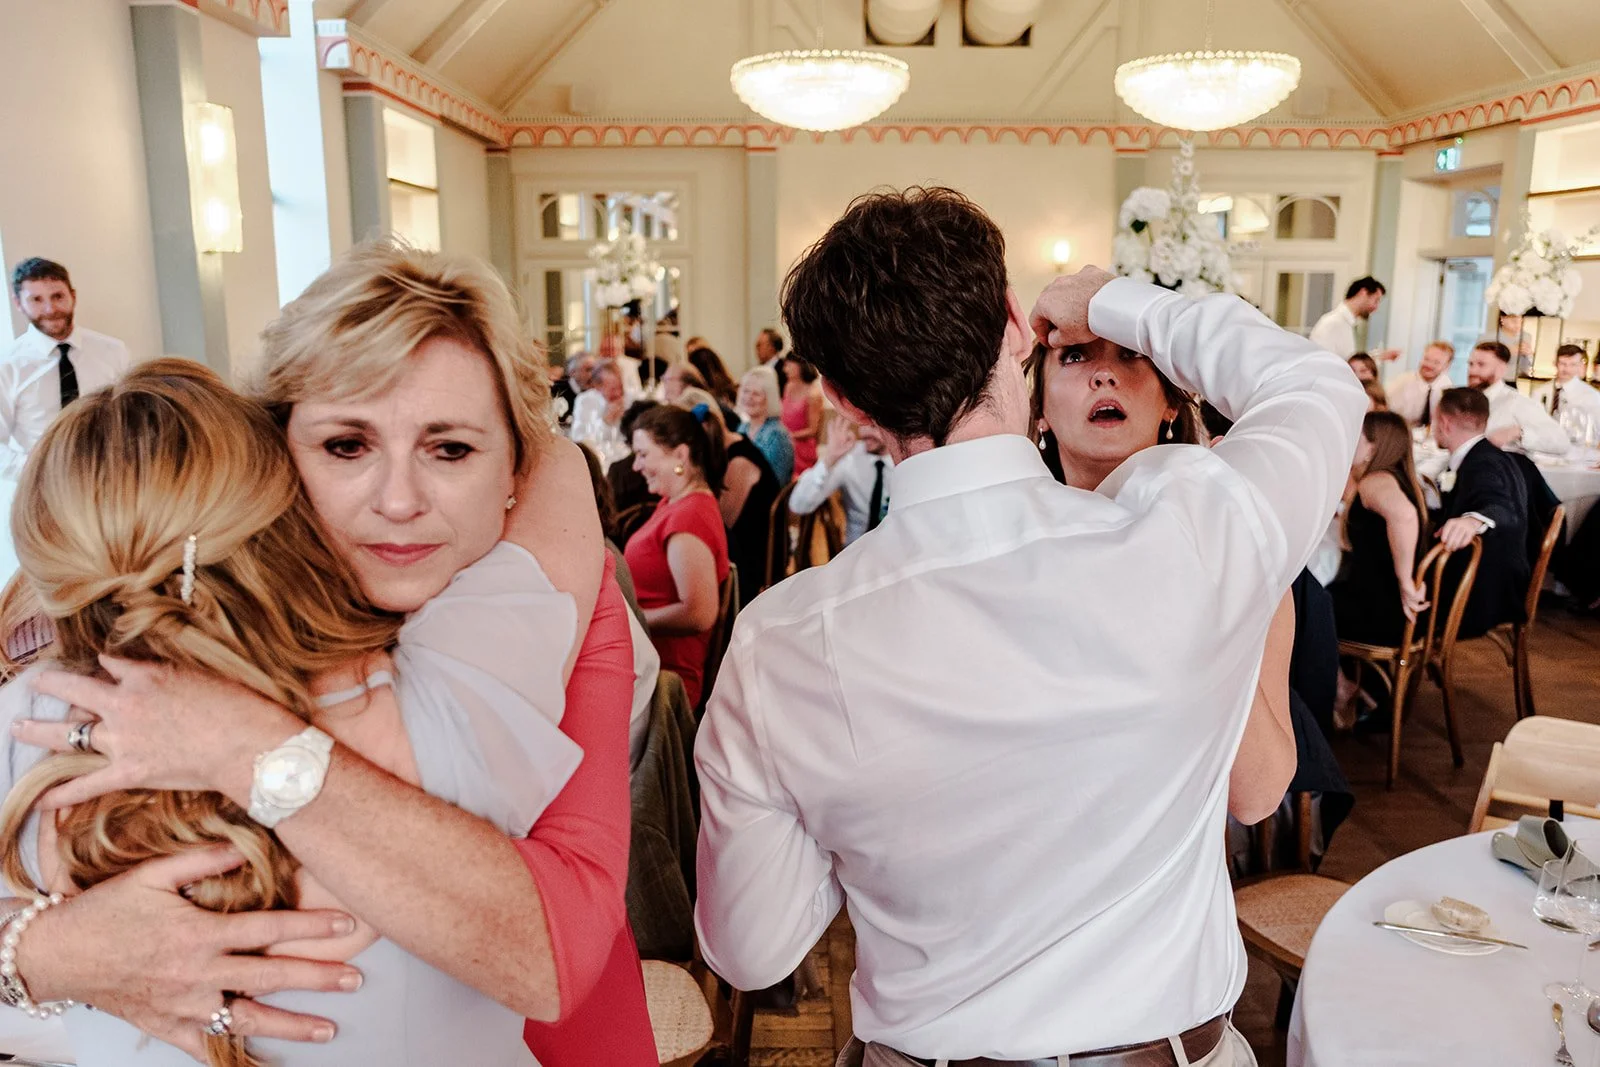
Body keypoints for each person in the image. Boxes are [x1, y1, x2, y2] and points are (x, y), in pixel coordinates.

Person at [694, 188, 1364, 1065]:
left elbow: (753, 947)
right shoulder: (1186, 534)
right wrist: (1119, 300)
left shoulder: (780, 640)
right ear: (1018, 326)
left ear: (845, 400)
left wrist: (861, 821)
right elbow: (1313, 383)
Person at [1, 244, 655, 1065]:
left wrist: (245, 745)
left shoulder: (542, 610)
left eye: (450, 448)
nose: (399, 501)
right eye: (346, 445)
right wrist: (43, 951)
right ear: (272, 454)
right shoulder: (91, 686)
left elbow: (558, 936)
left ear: (513, 469)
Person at [1025, 334, 1301, 830]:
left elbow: (1257, 795)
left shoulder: (1235, 553)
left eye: (1130, 355)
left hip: (1166, 861)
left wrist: (1203, 576)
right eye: (1075, 356)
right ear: (1040, 410)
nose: (1103, 375)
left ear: (1171, 402)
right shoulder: (1014, 552)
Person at [625, 404, 730, 708]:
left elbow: (698, 613)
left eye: (643, 454)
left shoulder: (690, 517)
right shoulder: (676, 503)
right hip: (649, 663)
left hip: (666, 681)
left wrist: (633, 620)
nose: (635, 466)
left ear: (681, 456)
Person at [2, 258, 132, 479]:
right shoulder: (7, 365)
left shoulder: (113, 351)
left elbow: (131, 418)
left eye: (57, 296)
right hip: (42, 489)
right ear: (18, 303)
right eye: (36, 299)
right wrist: (44, 470)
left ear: (73, 295)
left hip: (109, 482)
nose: (50, 309)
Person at [579, 444, 661, 772]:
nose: (637, 465)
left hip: (628, 737)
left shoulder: (595, 562)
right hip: (640, 687)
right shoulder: (599, 550)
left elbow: (698, 613)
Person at [1431, 387, 1531, 639]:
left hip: (1486, 592)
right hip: (1505, 577)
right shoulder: (1489, 454)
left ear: (1444, 423)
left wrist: (1474, 520)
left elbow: (1501, 506)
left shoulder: (1482, 463)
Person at [1328, 412, 1430, 648]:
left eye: (1357, 436)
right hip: (1394, 609)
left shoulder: (1375, 481)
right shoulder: (1400, 478)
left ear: (1372, 448)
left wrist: (1405, 581)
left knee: (1303, 602)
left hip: (1380, 613)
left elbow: (1404, 515)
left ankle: (1340, 683)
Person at [677, 387, 778, 608]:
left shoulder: (739, 462)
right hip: (736, 555)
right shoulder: (725, 450)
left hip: (748, 570)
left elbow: (720, 525)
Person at [788, 415, 893, 547]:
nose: (865, 433)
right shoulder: (849, 457)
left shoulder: (908, 461)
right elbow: (798, 504)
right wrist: (829, 459)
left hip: (900, 551)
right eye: (863, 424)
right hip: (855, 550)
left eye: (874, 426)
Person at [1465, 340, 1568, 455]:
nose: (1472, 371)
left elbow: (1561, 442)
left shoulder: (1518, 403)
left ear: (1501, 369)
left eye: (1481, 365)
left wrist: (1519, 432)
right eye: (1470, 364)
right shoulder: (1463, 401)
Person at [1308, 276, 1398, 362]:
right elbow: (1324, 362)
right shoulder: (1331, 323)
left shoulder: (1348, 324)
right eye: (1376, 300)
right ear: (1363, 293)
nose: (1376, 307)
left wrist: (1379, 356)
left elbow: (1348, 359)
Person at [736, 365, 794, 483]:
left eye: (756, 394)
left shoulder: (777, 435)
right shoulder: (742, 428)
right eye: (746, 391)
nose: (749, 398)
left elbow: (776, 483)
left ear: (769, 398)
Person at [570, 357, 630, 468]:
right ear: (598, 386)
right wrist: (605, 422)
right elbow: (579, 440)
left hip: (624, 461)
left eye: (620, 387)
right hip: (598, 462)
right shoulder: (585, 401)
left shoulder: (629, 400)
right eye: (612, 389)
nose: (618, 393)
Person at [1387, 340, 1455, 428]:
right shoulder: (1402, 382)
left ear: (1446, 366)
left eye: (1436, 362)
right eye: (1426, 359)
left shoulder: (1447, 387)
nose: (1429, 365)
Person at [778, 356, 824, 476]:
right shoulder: (788, 386)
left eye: (788, 365)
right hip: (786, 444)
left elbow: (813, 430)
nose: (785, 369)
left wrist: (788, 436)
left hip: (802, 449)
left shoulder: (813, 394)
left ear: (800, 366)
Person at [1534, 344, 1600, 422]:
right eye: (1563, 363)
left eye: (1573, 365)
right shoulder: (1539, 392)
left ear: (1580, 366)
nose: (1567, 369)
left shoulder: (1591, 396)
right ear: (1555, 363)